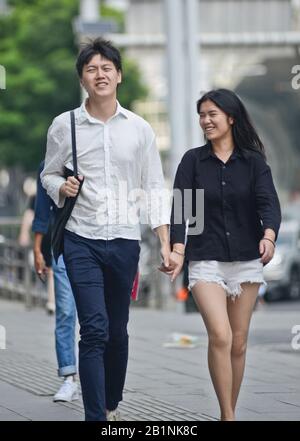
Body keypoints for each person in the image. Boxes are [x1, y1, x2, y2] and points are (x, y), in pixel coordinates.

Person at [41, 38, 170, 421]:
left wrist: (165, 242)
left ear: (119, 76)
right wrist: (59, 187)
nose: (100, 74)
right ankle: (96, 418)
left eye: (106, 68)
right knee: (94, 330)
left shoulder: (140, 129)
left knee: (117, 332)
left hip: (126, 241)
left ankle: (111, 402)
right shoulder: (65, 126)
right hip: (81, 237)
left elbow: (155, 188)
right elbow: (48, 172)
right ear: (83, 78)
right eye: (92, 68)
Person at [163, 89, 281, 421]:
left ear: (231, 117)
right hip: (206, 259)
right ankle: (227, 415)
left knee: (239, 343)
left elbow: (268, 204)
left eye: (212, 113)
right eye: (201, 114)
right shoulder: (192, 161)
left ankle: (229, 409)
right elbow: (182, 210)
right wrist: (177, 249)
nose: (206, 120)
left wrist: (269, 238)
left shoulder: (254, 162)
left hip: (246, 259)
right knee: (221, 335)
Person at [32, 161, 78, 402]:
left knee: (100, 318)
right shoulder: (48, 165)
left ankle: (102, 379)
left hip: (100, 245)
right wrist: (37, 249)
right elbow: (42, 210)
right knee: (66, 311)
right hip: (62, 246)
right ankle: (69, 377)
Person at [18, 191, 55, 314]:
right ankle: (51, 301)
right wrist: (24, 233)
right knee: (51, 269)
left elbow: (28, 214)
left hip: (53, 234)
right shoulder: (37, 195)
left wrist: (24, 233)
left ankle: (51, 301)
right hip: (46, 235)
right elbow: (29, 214)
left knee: (52, 270)